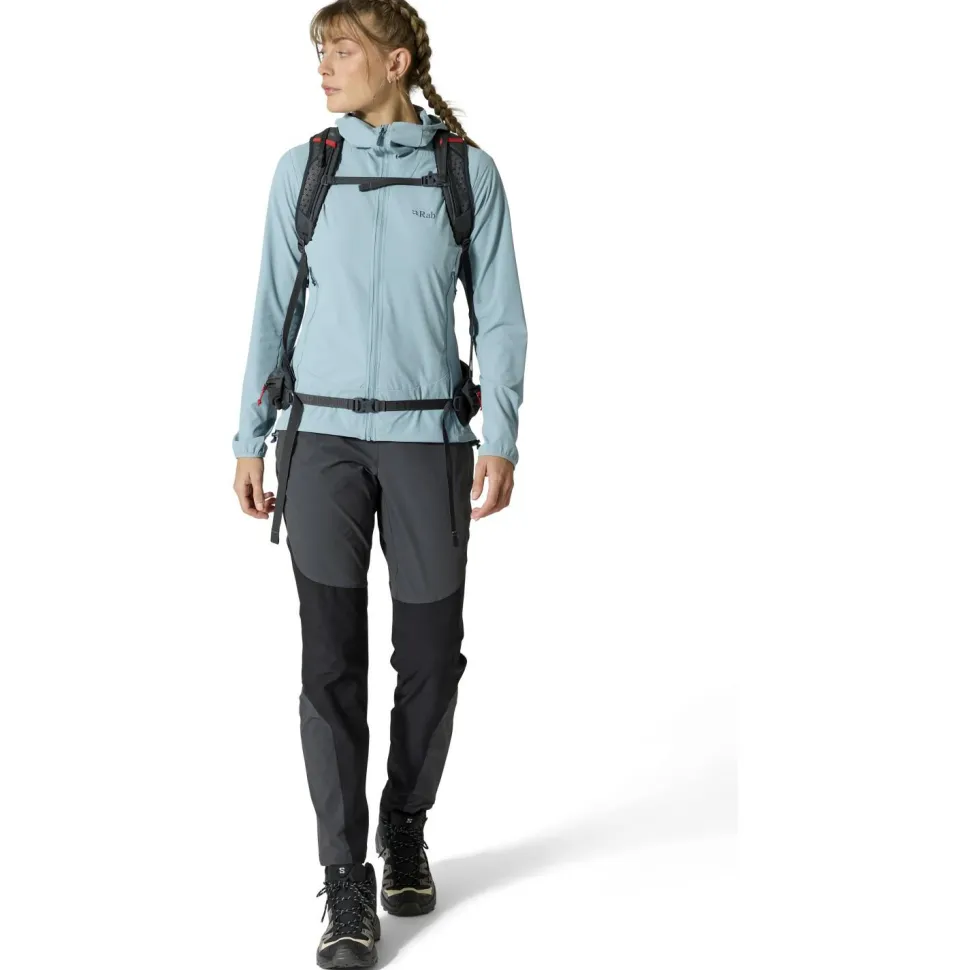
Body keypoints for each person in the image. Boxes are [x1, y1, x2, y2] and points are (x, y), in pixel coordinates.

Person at [230, 2, 527, 966]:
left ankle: (404, 822)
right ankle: (345, 878)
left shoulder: (465, 171)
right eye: (319, 50)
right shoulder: (305, 168)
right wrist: (249, 435)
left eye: (342, 49)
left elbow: (500, 314)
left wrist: (501, 434)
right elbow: (271, 306)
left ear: (395, 62)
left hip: (427, 441)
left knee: (432, 656)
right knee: (329, 665)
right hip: (319, 444)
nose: (324, 65)